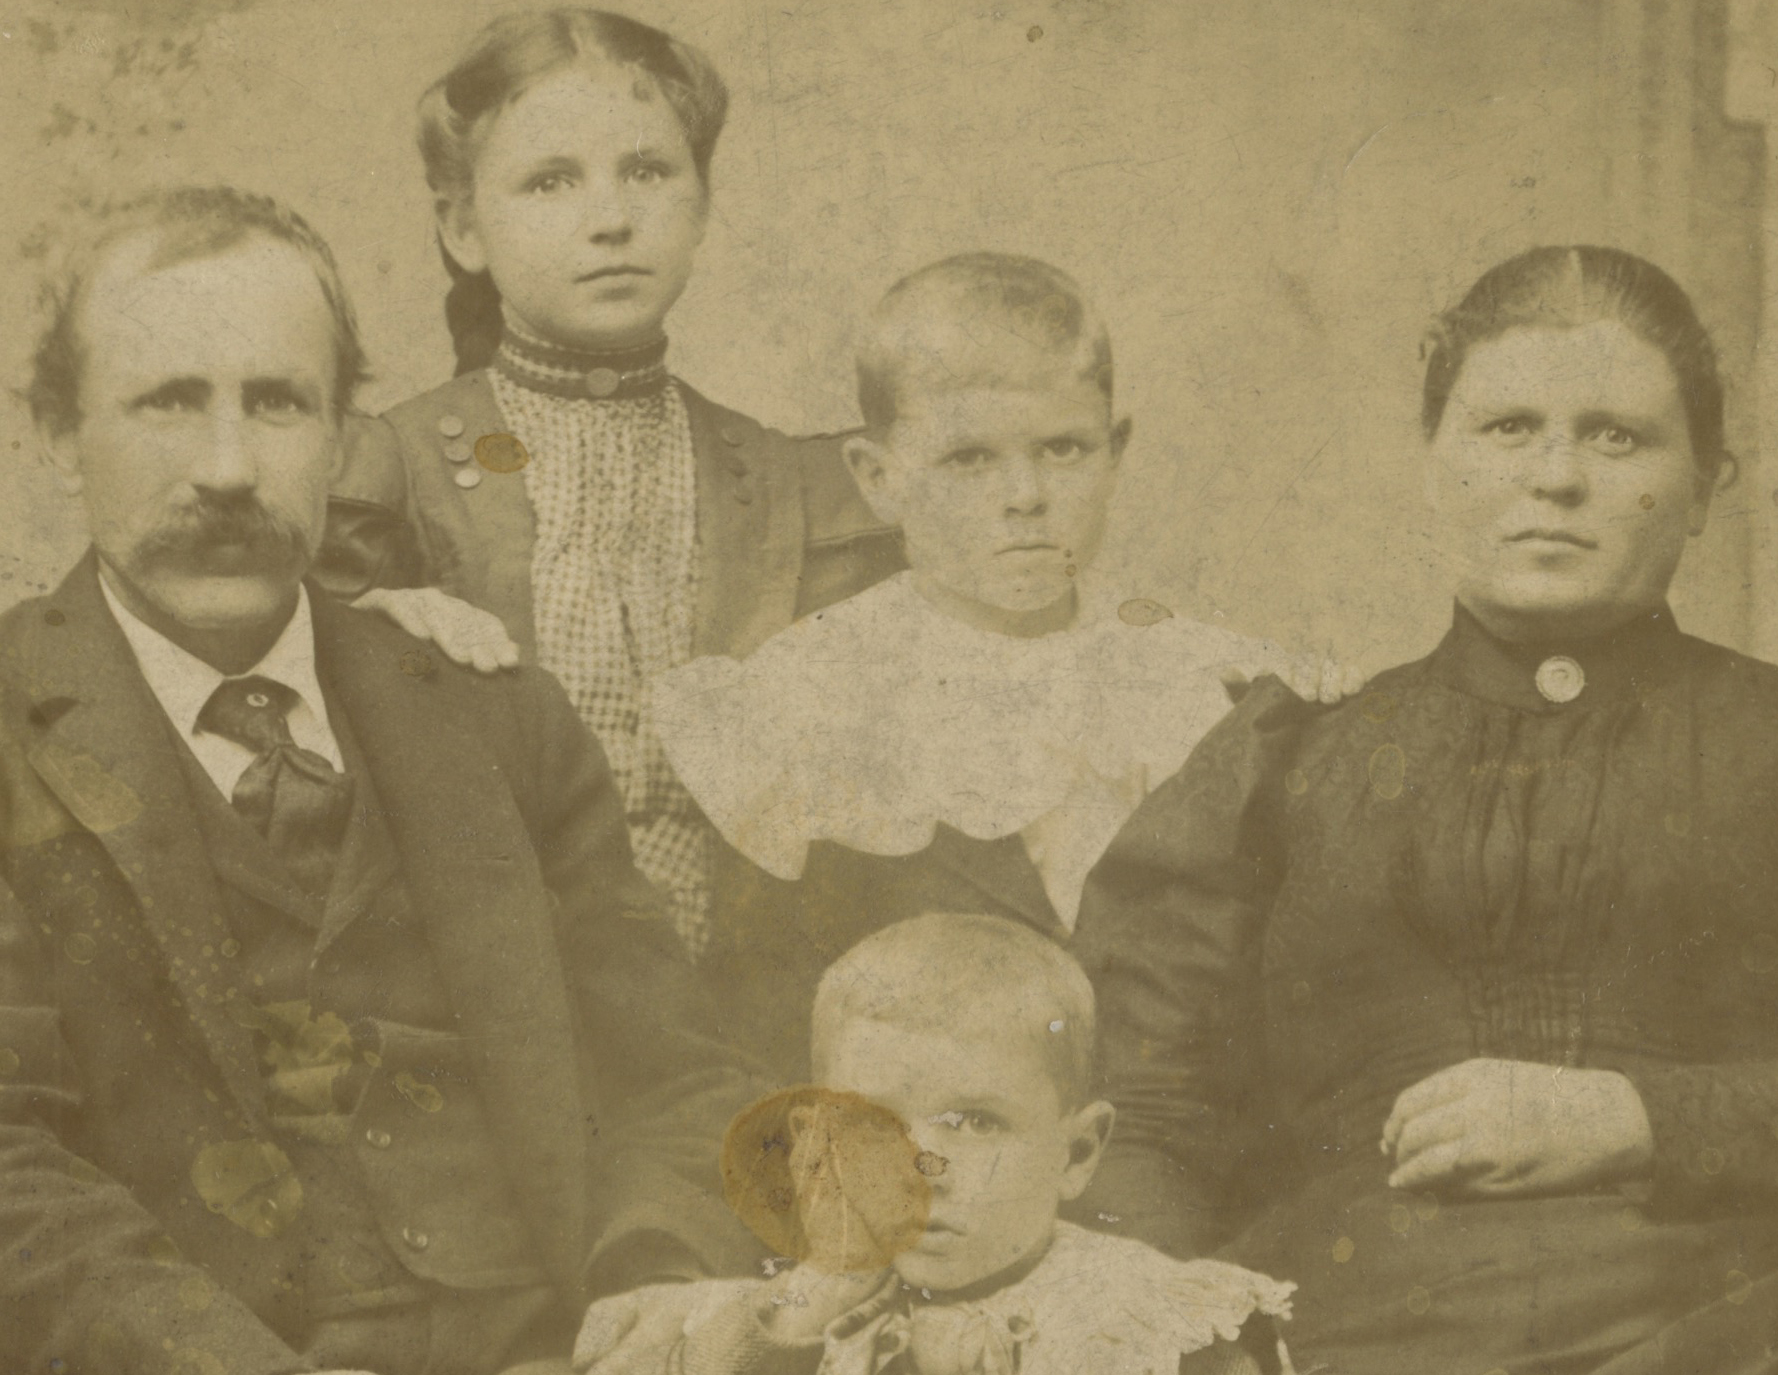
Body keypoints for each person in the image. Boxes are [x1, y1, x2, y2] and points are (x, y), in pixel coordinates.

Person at [0, 186, 758, 1375]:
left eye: (279, 402)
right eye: (167, 401)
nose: (228, 468)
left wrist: (651, 1282)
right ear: (57, 431)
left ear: (344, 434)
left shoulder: (496, 713)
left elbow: (673, 1073)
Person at [1074, 245, 1778, 1373]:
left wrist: (1638, 1117)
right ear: (1433, 462)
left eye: (1616, 437)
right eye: (1507, 428)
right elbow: (1143, 1117)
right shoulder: (1286, 761)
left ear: (1704, 487)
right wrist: (1178, 1340)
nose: (1554, 477)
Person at [650, 252, 1357, 1078]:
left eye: (1063, 449)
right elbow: (765, 1017)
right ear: (878, 478)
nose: (1025, 494)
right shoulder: (810, 694)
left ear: (1115, 451)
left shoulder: (1200, 675)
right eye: (970, 459)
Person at [315, 7, 902, 955]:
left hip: (740, 992)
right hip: (500, 987)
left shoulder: (781, 476)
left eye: (648, 171)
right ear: (464, 228)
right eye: (551, 181)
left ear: (702, 204)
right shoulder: (395, 467)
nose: (612, 220)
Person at [574, 913, 1297, 1375]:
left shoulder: (1150, 1324)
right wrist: (789, 1324)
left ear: (1077, 1153)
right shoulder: (822, 1298)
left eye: (977, 1122)